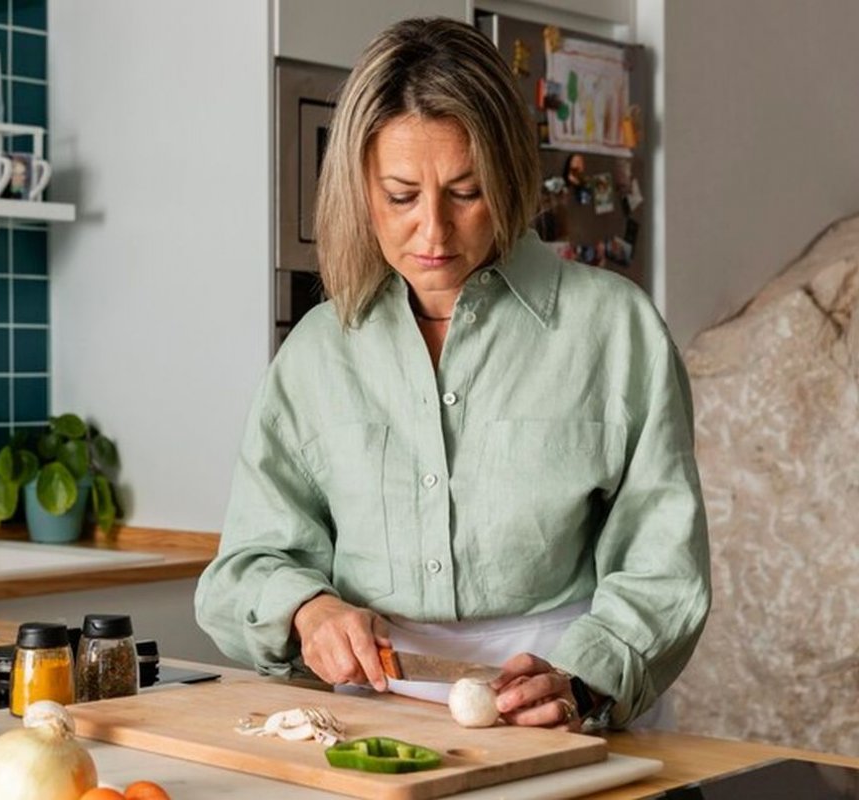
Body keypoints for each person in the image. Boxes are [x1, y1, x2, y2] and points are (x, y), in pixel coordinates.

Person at [194, 17, 710, 731]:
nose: (433, 232)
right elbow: (246, 563)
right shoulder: (318, 352)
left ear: (508, 176)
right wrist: (309, 609)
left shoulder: (615, 331)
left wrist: (583, 679)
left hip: (564, 712)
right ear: (360, 189)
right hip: (368, 724)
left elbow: (663, 564)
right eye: (402, 196)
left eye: (465, 192)